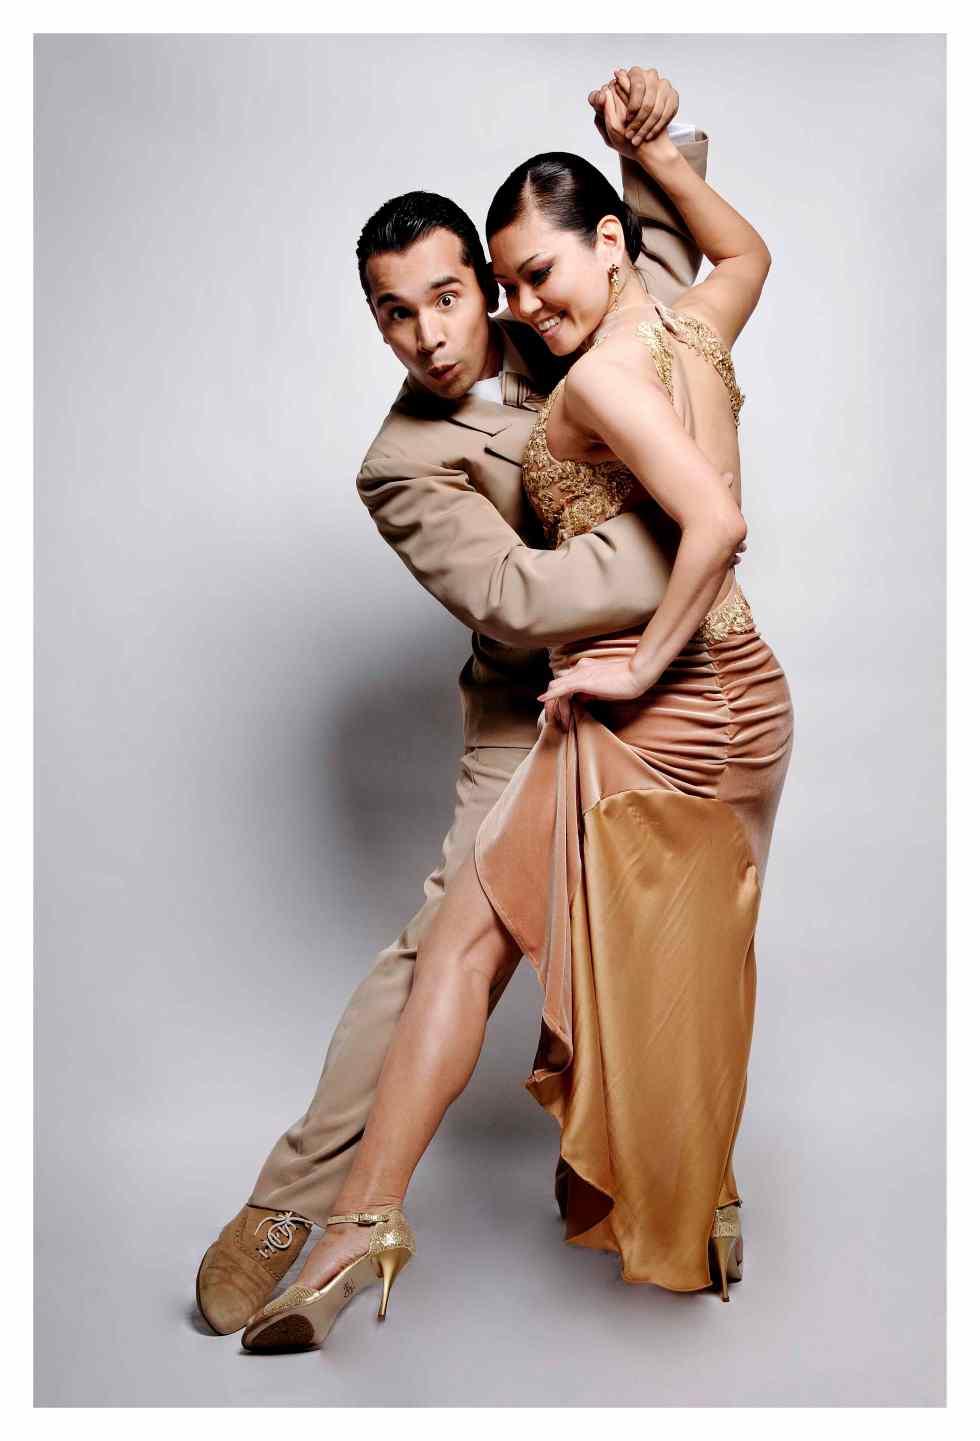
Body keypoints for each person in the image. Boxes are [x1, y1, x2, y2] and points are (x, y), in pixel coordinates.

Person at [237, 77, 792, 1353]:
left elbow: (705, 515)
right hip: (624, 689)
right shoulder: (460, 420)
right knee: (602, 947)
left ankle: (366, 1224)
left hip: (667, 692)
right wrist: (647, 165)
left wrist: (651, 143)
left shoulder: (591, 351)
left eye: (463, 296)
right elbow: (515, 594)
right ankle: (339, 1211)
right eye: (397, 313)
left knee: (607, 952)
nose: (441, 332)